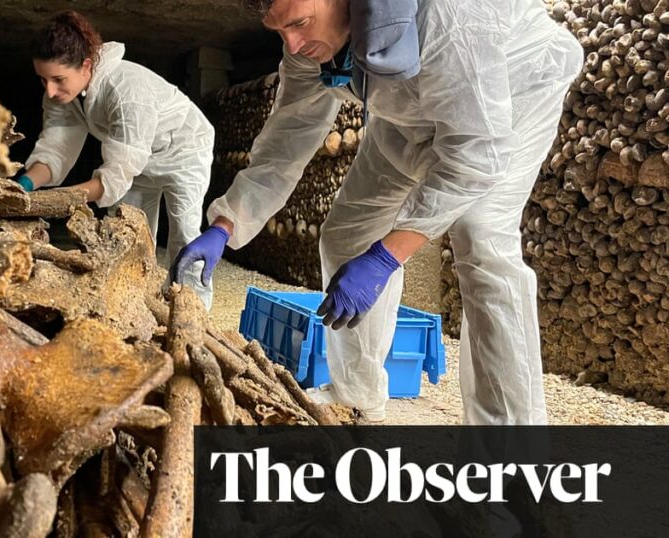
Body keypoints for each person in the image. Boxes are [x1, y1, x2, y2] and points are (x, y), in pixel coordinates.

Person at [173, 0, 582, 424]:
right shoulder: (306, 47)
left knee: (481, 240)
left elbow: (476, 154)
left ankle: (510, 449)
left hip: (514, 91)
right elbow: (286, 140)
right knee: (347, 233)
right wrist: (225, 225)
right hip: (411, 112)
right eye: (279, 32)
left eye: (299, 24)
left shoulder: (445, 18)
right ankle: (356, 394)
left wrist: (387, 256)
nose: (292, 44)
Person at [18, 11, 217, 308]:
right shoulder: (62, 92)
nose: (50, 90)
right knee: (130, 235)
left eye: (58, 79)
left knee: (185, 235)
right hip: (139, 159)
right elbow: (56, 146)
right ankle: (138, 306)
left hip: (184, 151)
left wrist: (59, 200)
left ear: (86, 65)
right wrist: (23, 185)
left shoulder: (126, 90)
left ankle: (193, 312)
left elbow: (116, 174)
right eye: (43, 79)